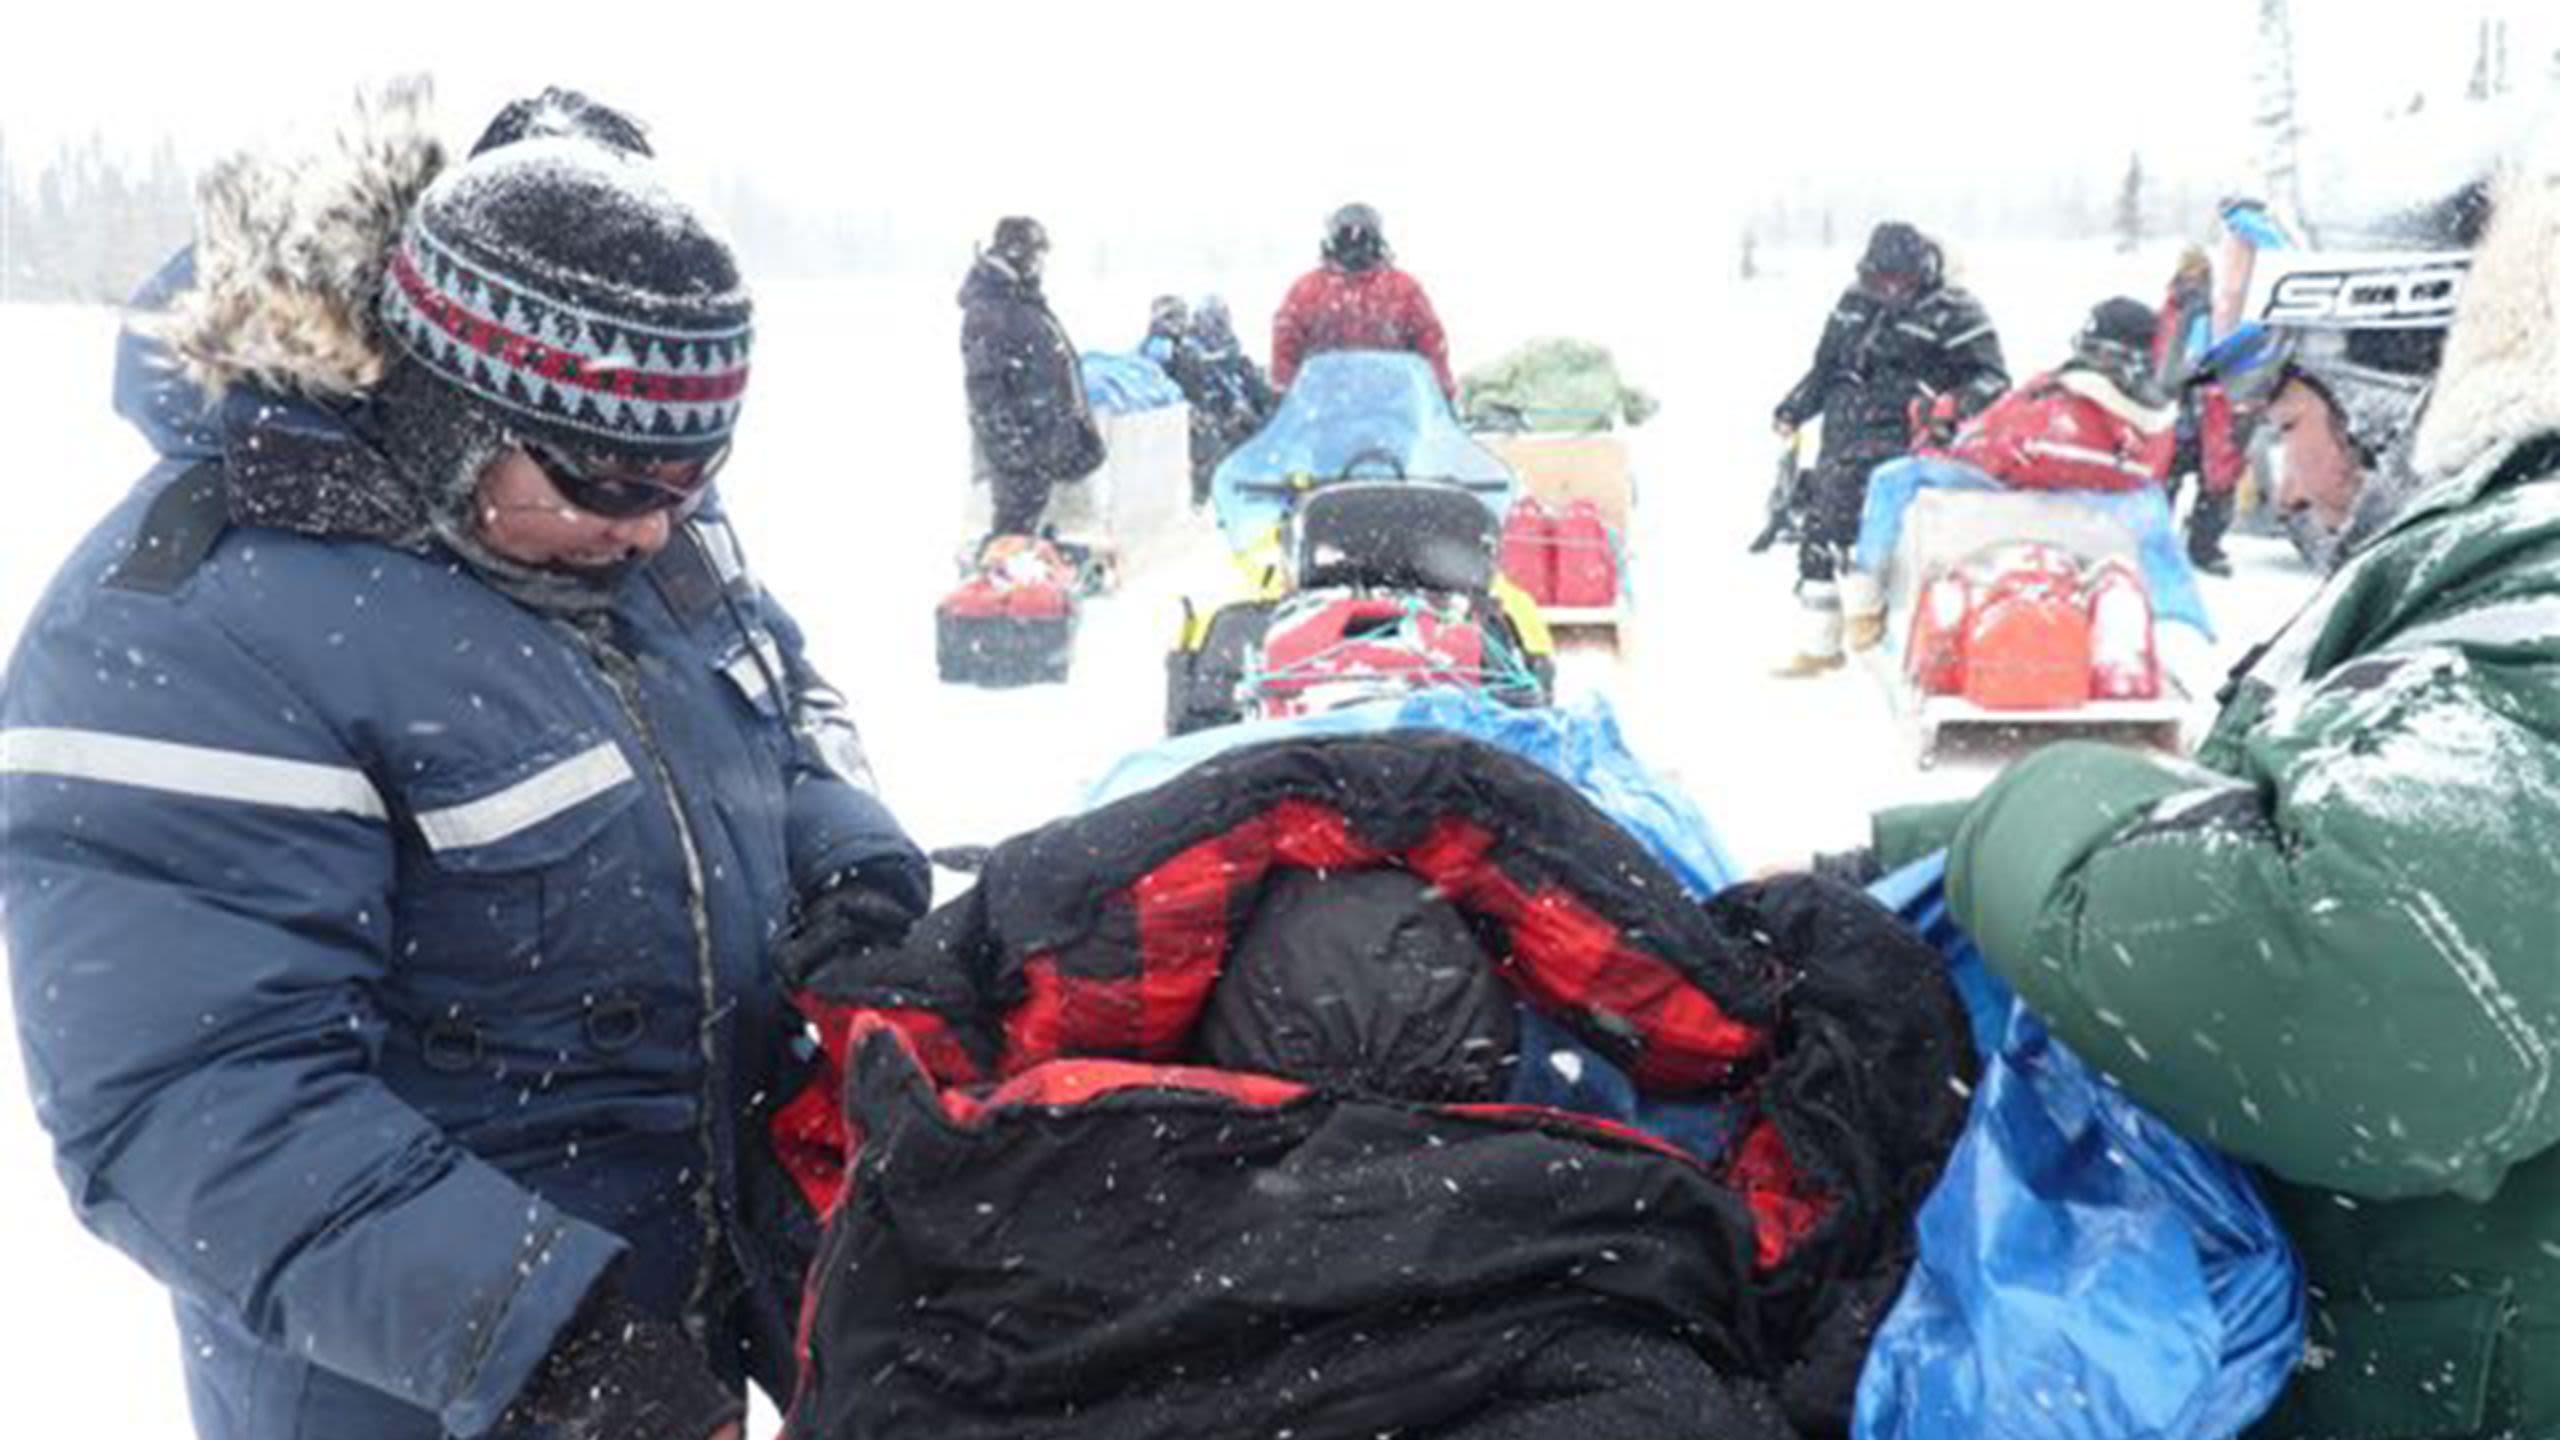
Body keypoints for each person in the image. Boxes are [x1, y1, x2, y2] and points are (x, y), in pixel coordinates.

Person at [0, 83, 930, 1440]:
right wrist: (549, 1347)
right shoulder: (194, 630)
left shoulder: (628, 503)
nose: (660, 534)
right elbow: (194, 1103)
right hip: (430, 1387)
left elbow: (781, 702)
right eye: (615, 488)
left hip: (688, 1312)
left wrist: (848, 872)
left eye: (697, 476)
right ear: (453, 415)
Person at [1838, 114, 2560, 1437]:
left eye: (2289, 417)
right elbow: (2293, 815)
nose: (2279, 471)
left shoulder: (2537, 591)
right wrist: (1890, 857)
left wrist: (2019, 812)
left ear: (2397, 396)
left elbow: (2369, 983)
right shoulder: (2495, 590)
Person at [1836, 296, 2176, 649]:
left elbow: (1997, 449)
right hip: (2090, 509)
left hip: (2013, 497)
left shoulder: (2070, 403)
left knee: (1892, 479)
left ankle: (1865, 604)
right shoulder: (2153, 421)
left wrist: (1937, 437)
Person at [1771, 220, 2007, 675]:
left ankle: (1894, 634)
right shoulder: (1852, 304)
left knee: (1885, 544)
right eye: (1882, 281)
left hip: (1910, 441)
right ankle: (1819, 644)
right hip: (1844, 433)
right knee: (1820, 527)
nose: (1891, 290)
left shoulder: (1956, 311)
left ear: (1923, 271)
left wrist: (1951, 405)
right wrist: (1795, 408)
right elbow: (1825, 367)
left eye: (1902, 281)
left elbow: (1993, 380)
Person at [960, 215, 1104, 541]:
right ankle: (996, 584)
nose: (1040, 264)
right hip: (1021, 451)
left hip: (1044, 444)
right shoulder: (990, 309)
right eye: (1036, 255)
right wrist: (1012, 450)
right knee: (1013, 536)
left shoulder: (1022, 301)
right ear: (1016, 253)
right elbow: (984, 390)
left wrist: (1075, 432)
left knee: (1037, 540)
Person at [1270, 202, 1455, 398]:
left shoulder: (1404, 289)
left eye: (1362, 237)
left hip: (1394, 412)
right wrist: (1284, 396)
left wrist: (1441, 395)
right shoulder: (1306, 291)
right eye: (1347, 236)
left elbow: (1431, 347)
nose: (1354, 245)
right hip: (1324, 413)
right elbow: (1285, 351)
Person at [1166, 295, 1275, 506]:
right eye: (1215, 321)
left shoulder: (1235, 358)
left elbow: (1256, 392)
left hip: (1235, 423)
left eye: (1223, 320)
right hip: (1206, 424)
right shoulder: (1187, 355)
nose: (1219, 326)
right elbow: (1192, 392)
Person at [1138, 292, 1189, 369]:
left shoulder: (1184, 343)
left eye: (1182, 316)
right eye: (1169, 317)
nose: (1177, 321)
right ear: (1156, 320)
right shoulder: (1157, 345)